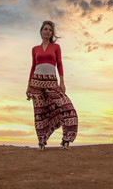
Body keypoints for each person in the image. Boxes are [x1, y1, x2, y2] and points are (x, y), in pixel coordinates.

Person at [26, 20, 78, 151]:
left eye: (50, 29)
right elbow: (33, 67)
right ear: (41, 32)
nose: (48, 31)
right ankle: (41, 143)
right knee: (40, 113)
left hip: (52, 83)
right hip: (36, 83)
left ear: (51, 33)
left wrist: (62, 81)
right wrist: (28, 86)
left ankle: (66, 140)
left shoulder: (56, 47)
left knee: (67, 107)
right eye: (46, 29)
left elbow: (59, 64)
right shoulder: (35, 49)